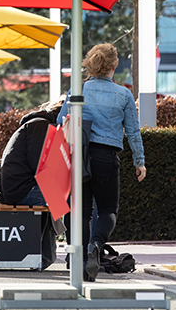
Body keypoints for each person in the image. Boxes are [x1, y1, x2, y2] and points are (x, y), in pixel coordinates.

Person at [58, 43, 146, 282]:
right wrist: (139, 161)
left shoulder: (79, 89)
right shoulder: (124, 95)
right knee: (108, 210)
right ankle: (95, 246)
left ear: (92, 63)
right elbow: (133, 132)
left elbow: (60, 120)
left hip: (80, 157)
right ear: (115, 66)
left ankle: (81, 259)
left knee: (82, 212)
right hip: (107, 157)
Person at [0, 104, 62, 268]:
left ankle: (47, 256)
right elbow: (40, 167)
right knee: (70, 200)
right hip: (23, 190)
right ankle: (79, 253)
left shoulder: (37, 125)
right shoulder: (40, 126)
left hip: (22, 186)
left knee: (62, 200)